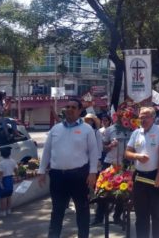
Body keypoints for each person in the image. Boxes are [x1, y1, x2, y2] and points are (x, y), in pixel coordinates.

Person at [38, 98, 99, 238]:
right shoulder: (56, 129)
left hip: (79, 176)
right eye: (68, 107)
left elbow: (93, 152)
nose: (70, 109)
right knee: (57, 211)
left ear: (79, 111)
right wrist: (41, 171)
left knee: (82, 211)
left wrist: (92, 173)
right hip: (58, 177)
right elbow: (47, 151)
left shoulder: (86, 129)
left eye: (73, 107)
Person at [125, 107, 159, 238]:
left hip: (155, 176)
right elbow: (127, 153)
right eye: (141, 117)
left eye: (146, 117)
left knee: (157, 214)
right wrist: (137, 156)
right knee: (141, 214)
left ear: (153, 118)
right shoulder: (136, 133)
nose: (143, 119)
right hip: (139, 177)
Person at [0, 146, 18, 218]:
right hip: (10, 179)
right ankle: (9, 210)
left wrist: (0, 181)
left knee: (3, 197)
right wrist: (15, 175)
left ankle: (3, 212)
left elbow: (1, 173)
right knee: (9, 195)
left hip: (4, 180)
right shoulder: (13, 161)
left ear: (1, 154)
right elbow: (16, 170)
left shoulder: (1, 163)